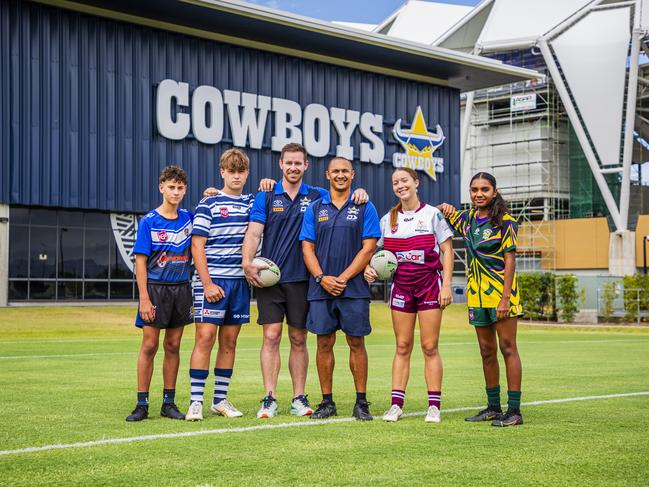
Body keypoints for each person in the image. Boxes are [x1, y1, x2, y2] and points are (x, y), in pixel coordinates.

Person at [242, 143, 368, 419]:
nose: (293, 167)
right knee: (271, 336)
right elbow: (253, 234)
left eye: (298, 163)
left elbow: (342, 193)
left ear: (306, 166)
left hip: (304, 280)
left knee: (299, 338)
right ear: (281, 165)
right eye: (289, 163)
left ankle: (299, 397)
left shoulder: (317, 195)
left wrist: (360, 191)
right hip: (270, 278)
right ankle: (269, 398)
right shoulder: (266, 195)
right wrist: (247, 261)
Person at [364, 168, 454, 423]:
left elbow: (447, 251)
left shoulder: (432, 214)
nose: (400, 185)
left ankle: (434, 406)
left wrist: (446, 285)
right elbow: (374, 252)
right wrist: (370, 267)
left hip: (429, 287)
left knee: (429, 346)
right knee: (402, 346)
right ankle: (396, 405)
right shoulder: (387, 220)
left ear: (416, 183)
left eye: (404, 180)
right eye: (395, 182)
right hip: (401, 289)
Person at [438, 172, 524, 427]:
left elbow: (510, 260)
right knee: (486, 352)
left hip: (501, 295)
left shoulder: (505, 222)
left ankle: (515, 411)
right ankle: (494, 407)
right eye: (474, 189)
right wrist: (444, 207)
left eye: (484, 189)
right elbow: (433, 212)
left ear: (494, 192)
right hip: (476, 295)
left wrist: (505, 298)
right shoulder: (467, 220)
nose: (479, 194)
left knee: (508, 348)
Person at [299, 157, 381, 421]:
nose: (341, 175)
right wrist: (322, 278)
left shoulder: (365, 206)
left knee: (356, 342)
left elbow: (368, 247)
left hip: (353, 288)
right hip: (321, 288)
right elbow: (307, 248)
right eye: (336, 171)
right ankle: (327, 402)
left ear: (353, 174)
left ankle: (361, 403)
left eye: (345, 171)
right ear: (327, 175)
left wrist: (343, 278)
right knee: (324, 342)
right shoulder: (314, 208)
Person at [185, 148, 254, 421]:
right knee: (204, 339)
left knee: (229, 342)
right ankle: (195, 402)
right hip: (211, 282)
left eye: (241, 171)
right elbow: (197, 245)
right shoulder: (209, 204)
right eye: (231, 171)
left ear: (246, 173)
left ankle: (220, 400)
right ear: (222, 172)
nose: (236, 176)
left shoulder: (252, 203)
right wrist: (207, 283)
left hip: (239, 282)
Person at [126, 165, 193, 422]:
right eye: (171, 187)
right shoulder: (149, 221)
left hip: (181, 289)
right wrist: (144, 297)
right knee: (150, 345)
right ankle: (142, 404)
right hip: (155, 289)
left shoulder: (189, 218)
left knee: (173, 345)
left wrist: (210, 193)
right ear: (161, 188)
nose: (175, 192)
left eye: (180, 188)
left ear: (185, 190)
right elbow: (140, 262)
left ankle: (169, 402)